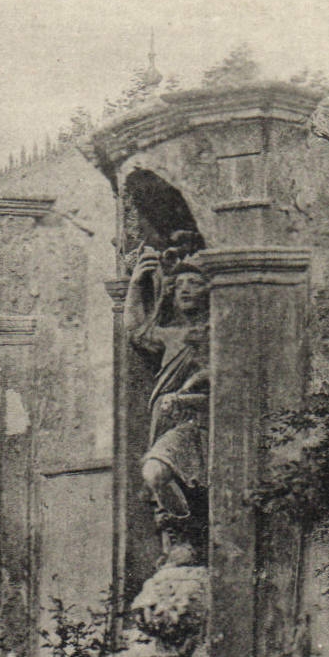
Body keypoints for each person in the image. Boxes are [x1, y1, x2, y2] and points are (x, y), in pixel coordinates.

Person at [126, 230, 211, 568]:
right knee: (162, 478)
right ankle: (179, 537)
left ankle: (190, 534)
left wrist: (190, 390)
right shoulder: (170, 334)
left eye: (195, 283)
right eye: (179, 285)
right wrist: (136, 285)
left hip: (199, 420)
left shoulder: (217, 332)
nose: (185, 290)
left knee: (157, 473)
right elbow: (136, 331)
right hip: (165, 418)